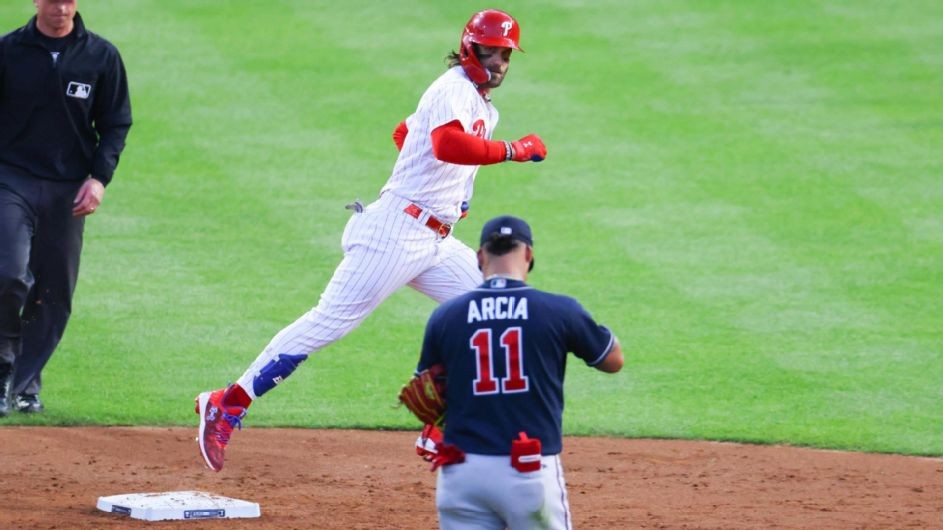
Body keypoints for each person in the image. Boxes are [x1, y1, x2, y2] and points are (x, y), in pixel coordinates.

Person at [195, 9, 548, 471]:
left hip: (435, 239)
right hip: (396, 233)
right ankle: (228, 402)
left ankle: (443, 424)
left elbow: (409, 133)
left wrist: (437, 185)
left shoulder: (482, 105)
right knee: (328, 324)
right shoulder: (452, 88)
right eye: (491, 51)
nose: (499, 61)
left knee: (500, 312)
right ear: (469, 48)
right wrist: (513, 151)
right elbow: (445, 145)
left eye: (505, 54)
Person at [412, 215, 624, 530]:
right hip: (527, 470)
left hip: (461, 471)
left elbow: (427, 394)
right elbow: (612, 360)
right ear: (528, 255)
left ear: (480, 257)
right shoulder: (559, 311)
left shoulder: (445, 316)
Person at [0, 0, 132, 416]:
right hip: (11, 179)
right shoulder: (8, 51)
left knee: (54, 292)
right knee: (7, 273)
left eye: (68, 0)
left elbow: (115, 123)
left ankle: (24, 382)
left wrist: (99, 179)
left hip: (68, 188)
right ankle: (4, 370)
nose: (61, 8)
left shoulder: (101, 56)